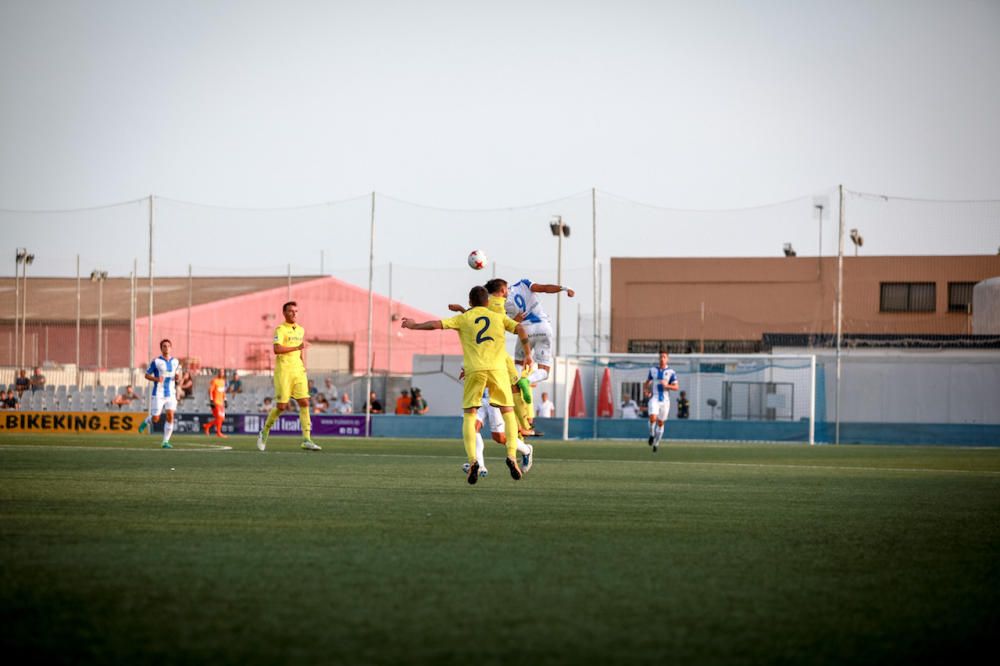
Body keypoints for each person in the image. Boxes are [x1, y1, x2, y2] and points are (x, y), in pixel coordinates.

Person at [402, 285, 532, 484]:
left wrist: (414, 325)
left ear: (470, 303)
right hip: (497, 370)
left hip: (474, 370)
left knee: (470, 415)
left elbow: (436, 324)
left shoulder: (464, 318)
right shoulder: (498, 317)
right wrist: (528, 353)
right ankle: (512, 455)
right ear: (487, 302)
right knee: (508, 411)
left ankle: (473, 461)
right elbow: (520, 328)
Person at [257, 301, 320, 452]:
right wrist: (297, 347)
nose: (294, 314)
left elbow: (300, 352)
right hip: (284, 371)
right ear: (284, 313)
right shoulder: (280, 329)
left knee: (304, 402)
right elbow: (276, 349)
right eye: (291, 311)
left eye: (296, 311)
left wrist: (303, 366)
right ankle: (265, 431)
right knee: (282, 406)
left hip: (298, 371)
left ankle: (307, 439)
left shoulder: (300, 330)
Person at [461, 388, 534, 479]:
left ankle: (526, 450)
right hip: (478, 396)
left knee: (499, 437)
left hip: (495, 398)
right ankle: (480, 465)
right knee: (472, 428)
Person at [138, 338, 181, 449]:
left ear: (171, 348)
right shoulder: (156, 361)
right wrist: (157, 379)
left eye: (168, 346)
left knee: (170, 416)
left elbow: (178, 376)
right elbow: (146, 375)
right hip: (158, 393)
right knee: (156, 419)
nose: (166, 348)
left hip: (171, 393)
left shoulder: (176, 361)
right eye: (164, 346)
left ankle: (165, 442)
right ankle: (148, 420)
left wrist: (178, 378)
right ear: (161, 348)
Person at [643, 351, 679, 452]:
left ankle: (656, 443)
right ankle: (651, 435)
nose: (662, 358)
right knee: (652, 417)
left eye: (664, 357)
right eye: (661, 357)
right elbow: (647, 382)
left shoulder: (671, 372)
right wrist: (646, 391)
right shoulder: (653, 370)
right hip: (654, 398)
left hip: (665, 401)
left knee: (660, 422)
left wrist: (667, 386)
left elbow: (676, 387)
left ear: (667, 359)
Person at [203, 368, 228, 438]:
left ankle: (207, 426)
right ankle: (218, 433)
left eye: (222, 372)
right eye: (220, 372)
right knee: (219, 417)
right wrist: (211, 400)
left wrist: (225, 400)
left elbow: (223, 392)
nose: (221, 373)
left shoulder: (223, 381)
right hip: (216, 402)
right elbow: (210, 391)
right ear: (218, 373)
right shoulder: (214, 381)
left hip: (221, 402)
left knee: (221, 418)